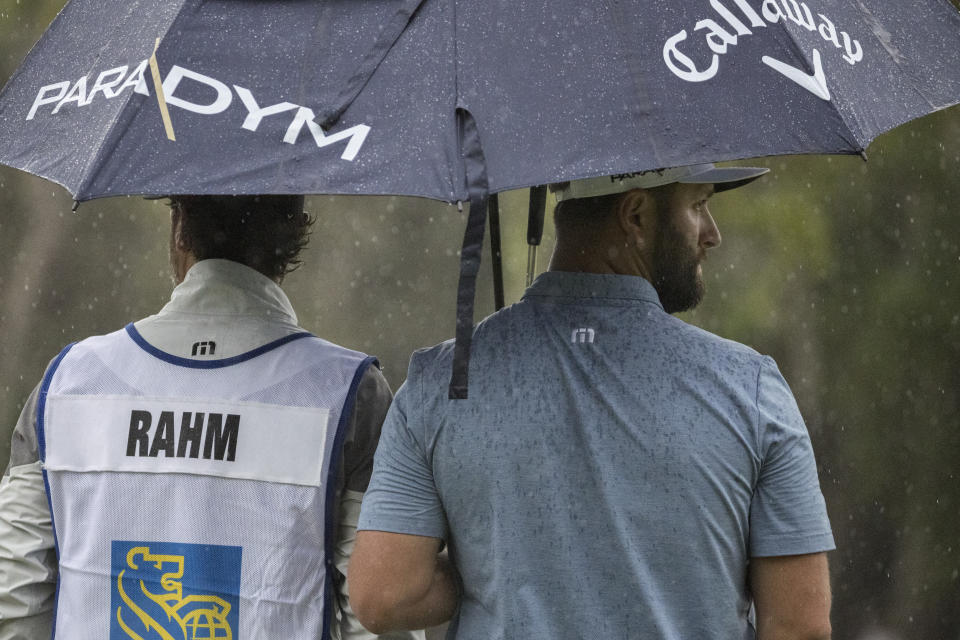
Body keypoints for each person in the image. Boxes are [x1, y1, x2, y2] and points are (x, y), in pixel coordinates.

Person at [349, 164, 835, 639]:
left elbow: (385, 596)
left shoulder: (441, 384)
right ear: (636, 216)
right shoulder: (749, 388)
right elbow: (799, 624)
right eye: (699, 205)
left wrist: (474, 571)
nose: (712, 234)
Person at [0, 195, 422, 640]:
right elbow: (378, 613)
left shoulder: (68, 383)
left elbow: (13, 596)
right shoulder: (348, 391)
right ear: (295, 232)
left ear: (179, 226)